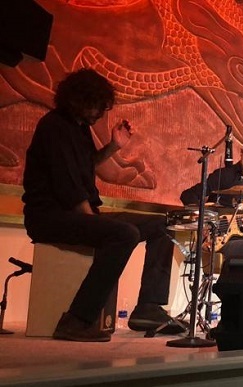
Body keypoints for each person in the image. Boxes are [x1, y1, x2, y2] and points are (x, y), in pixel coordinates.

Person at [22, 68, 185, 342]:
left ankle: (148, 307)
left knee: (162, 224)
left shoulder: (79, 128)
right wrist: (93, 222)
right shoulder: (53, 126)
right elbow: (68, 186)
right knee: (124, 234)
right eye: (97, 106)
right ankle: (76, 320)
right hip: (48, 216)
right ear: (80, 100)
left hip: (73, 212)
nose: (99, 113)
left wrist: (113, 146)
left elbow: (86, 167)